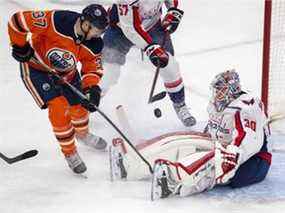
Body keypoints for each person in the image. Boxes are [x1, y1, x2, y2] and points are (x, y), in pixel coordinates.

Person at [109, 70, 271, 200]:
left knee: (215, 161)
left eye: (220, 92)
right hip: (226, 148)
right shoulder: (220, 105)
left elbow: (250, 142)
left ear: (231, 91)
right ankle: (132, 160)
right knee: (186, 141)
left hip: (253, 162)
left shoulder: (246, 107)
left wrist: (231, 154)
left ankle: (172, 181)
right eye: (216, 91)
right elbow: (215, 130)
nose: (216, 95)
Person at [8, 4, 109, 174]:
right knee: (59, 107)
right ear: (85, 25)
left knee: (81, 106)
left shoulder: (94, 44)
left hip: (67, 73)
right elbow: (17, 21)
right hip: (36, 68)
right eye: (97, 31)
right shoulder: (56, 21)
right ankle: (70, 153)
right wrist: (20, 46)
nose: (98, 35)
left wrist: (91, 88)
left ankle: (83, 134)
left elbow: (91, 67)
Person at [99, 0, 196, 127]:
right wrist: (150, 47)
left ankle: (180, 105)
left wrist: (172, 10)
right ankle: (88, 105)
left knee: (169, 65)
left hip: (152, 25)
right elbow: (131, 29)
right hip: (121, 30)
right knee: (107, 74)